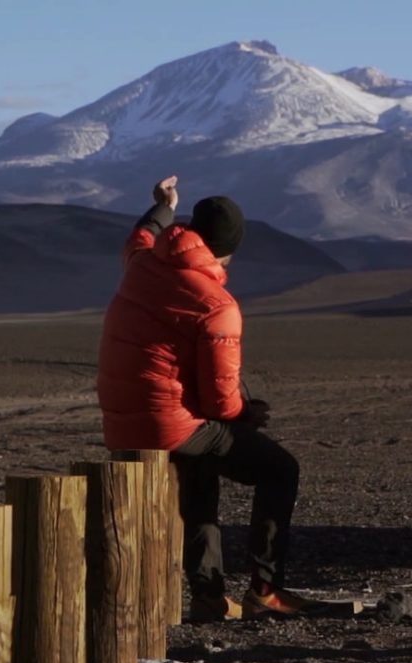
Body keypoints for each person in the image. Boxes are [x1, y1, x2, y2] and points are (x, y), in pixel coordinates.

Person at [97, 175, 318, 621]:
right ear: (230, 246)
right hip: (170, 426)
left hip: (122, 424)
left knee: (201, 464)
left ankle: (209, 596)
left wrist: (163, 206)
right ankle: (265, 588)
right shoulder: (217, 305)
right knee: (279, 469)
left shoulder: (143, 264)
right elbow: (221, 404)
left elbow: (139, 237)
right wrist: (246, 414)